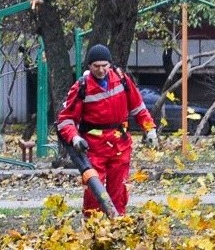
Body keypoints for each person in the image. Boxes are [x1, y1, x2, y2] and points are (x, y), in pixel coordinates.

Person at [56, 44, 158, 216]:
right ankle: (93, 229)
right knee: (94, 192)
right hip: (94, 148)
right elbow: (66, 119)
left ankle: (117, 225)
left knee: (118, 189)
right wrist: (75, 138)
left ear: (110, 65)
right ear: (89, 66)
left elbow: (139, 108)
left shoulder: (121, 79)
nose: (101, 70)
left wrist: (150, 129)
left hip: (120, 145)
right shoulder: (82, 87)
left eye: (105, 66)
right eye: (97, 66)